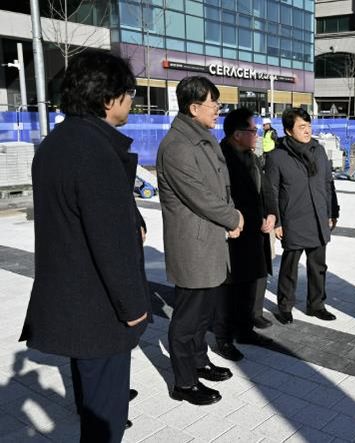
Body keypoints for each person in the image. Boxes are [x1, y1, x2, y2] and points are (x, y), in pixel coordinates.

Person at [19, 51, 150, 442]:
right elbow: (109, 242)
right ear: (108, 98)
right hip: (100, 309)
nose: (132, 101)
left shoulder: (57, 142)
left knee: (93, 399)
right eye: (129, 92)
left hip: (73, 299)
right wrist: (134, 307)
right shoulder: (95, 151)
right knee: (105, 421)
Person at [156, 76, 243, 406]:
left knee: (203, 313)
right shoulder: (178, 146)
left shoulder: (202, 138)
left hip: (209, 240)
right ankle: (184, 382)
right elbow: (199, 196)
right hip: (193, 244)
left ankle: (198, 361)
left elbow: (220, 188)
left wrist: (230, 216)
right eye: (213, 103)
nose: (218, 108)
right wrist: (233, 218)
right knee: (187, 318)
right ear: (194, 108)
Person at [213, 108, 278, 361]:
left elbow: (266, 189)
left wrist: (271, 213)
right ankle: (224, 338)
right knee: (230, 291)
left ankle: (245, 329)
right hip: (233, 233)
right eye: (253, 130)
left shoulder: (252, 157)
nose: (257, 134)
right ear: (237, 134)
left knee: (250, 284)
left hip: (255, 232)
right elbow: (220, 199)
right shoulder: (220, 159)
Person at [265, 107, 340, 324]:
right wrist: (277, 221)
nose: (307, 131)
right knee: (289, 268)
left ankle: (316, 305)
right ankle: (285, 306)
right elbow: (271, 191)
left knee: (318, 267)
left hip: (318, 217)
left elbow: (328, 183)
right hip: (293, 219)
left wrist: (332, 211)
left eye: (308, 126)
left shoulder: (319, 150)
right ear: (289, 131)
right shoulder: (277, 156)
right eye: (301, 127)